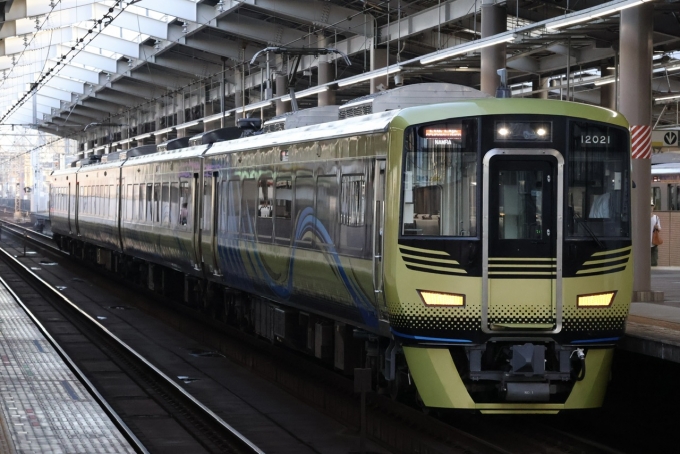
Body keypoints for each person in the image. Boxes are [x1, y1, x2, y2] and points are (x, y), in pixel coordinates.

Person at [651, 202, 661, 266]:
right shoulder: (643, 218)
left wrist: (657, 227)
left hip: (654, 244)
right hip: (645, 245)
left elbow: (659, 229)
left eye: (652, 206)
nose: (650, 207)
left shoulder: (656, 217)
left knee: (654, 263)